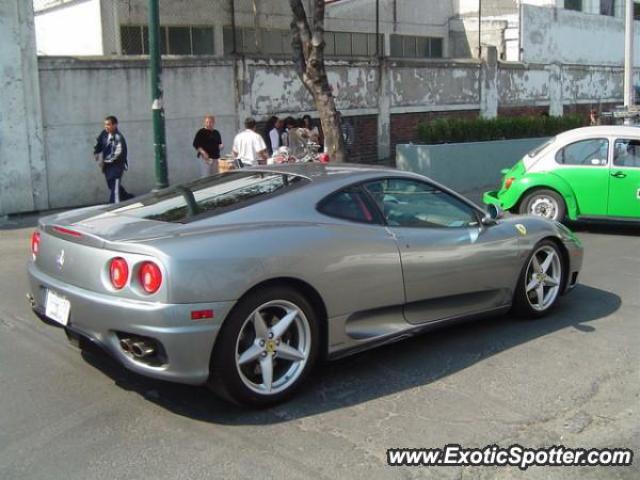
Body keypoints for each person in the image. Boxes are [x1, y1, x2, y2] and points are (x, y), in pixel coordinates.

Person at [93, 115, 133, 203]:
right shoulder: (104, 134)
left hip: (117, 166)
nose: (106, 127)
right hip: (107, 167)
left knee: (115, 187)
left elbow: (117, 153)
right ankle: (126, 197)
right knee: (111, 185)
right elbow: (99, 143)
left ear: (115, 125)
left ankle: (113, 205)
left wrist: (105, 161)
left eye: (108, 124)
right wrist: (96, 152)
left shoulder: (119, 138)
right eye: (105, 125)